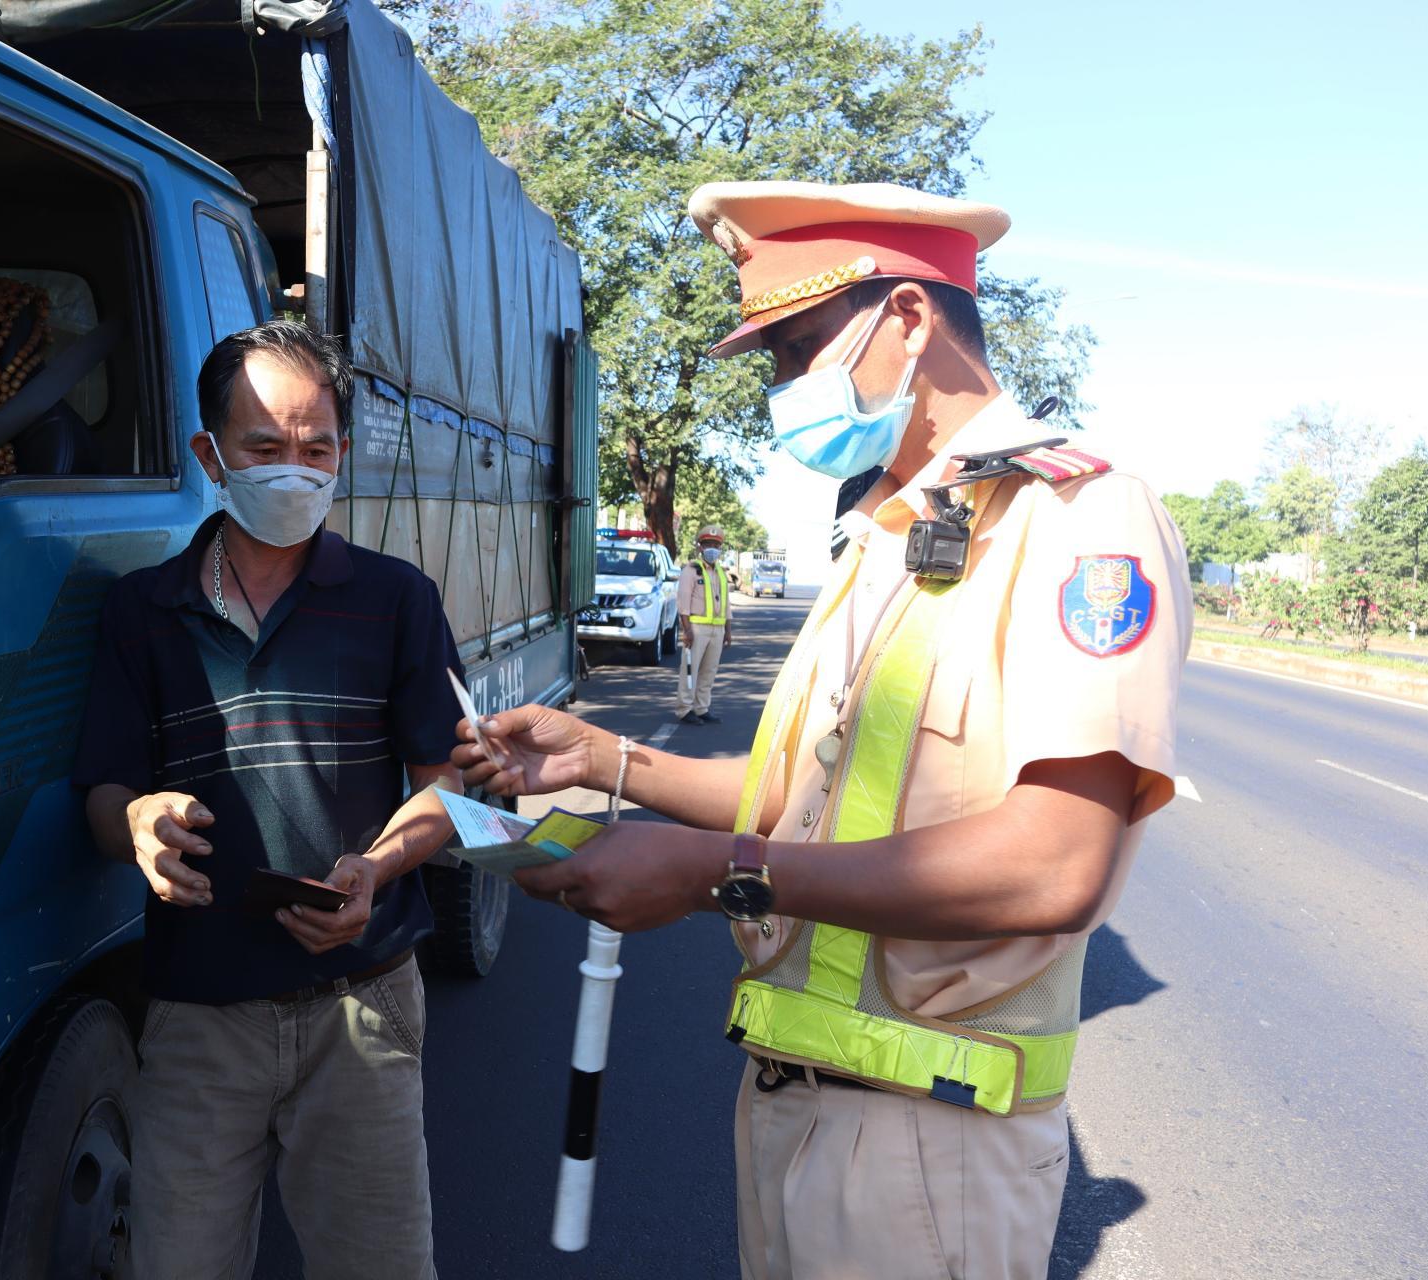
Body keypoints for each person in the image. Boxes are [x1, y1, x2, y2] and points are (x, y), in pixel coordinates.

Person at [454, 182, 1192, 1280]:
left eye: (797, 346)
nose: (783, 390)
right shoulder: (885, 535)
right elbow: (801, 800)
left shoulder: (1078, 516)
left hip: (930, 1144)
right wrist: (604, 759)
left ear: (907, 317)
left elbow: (1057, 863)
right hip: (793, 1102)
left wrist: (719, 874)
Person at [75, 319, 462, 1280]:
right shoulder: (142, 611)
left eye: (316, 448)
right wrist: (136, 829)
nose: (294, 470)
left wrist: (377, 867)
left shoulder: (397, 598)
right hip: (198, 1018)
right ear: (210, 455)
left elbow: (449, 782)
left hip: (361, 1010)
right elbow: (103, 786)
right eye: (264, 448)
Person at [676, 524, 734, 724]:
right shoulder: (691, 570)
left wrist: (728, 631)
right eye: (708, 544)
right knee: (691, 670)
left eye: (716, 545)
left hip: (717, 630)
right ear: (700, 547)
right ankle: (685, 709)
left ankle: (702, 708)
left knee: (709, 671)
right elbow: (683, 603)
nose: (712, 548)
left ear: (720, 549)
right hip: (697, 628)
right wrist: (687, 630)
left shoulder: (720, 572)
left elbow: (725, 604)